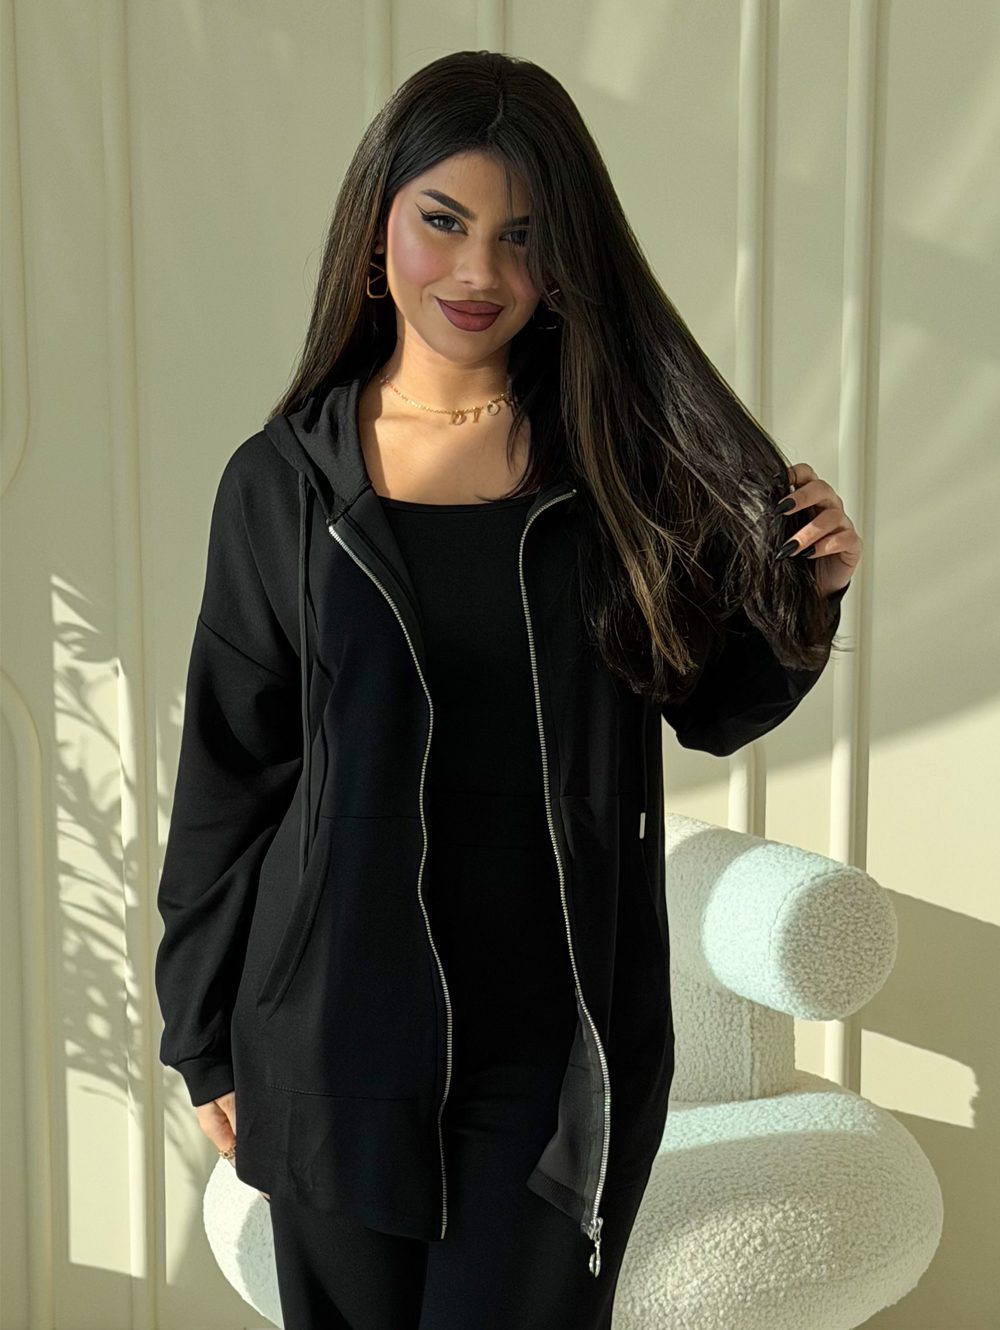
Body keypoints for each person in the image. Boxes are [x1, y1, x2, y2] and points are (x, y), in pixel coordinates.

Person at [154, 49, 862, 1330]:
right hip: (329, 1029)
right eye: (444, 221)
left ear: (566, 258)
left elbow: (709, 706)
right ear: (377, 231)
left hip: (554, 1041)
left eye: (522, 236)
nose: (479, 271)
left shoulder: (615, 470)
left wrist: (804, 596)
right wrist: (200, 1029)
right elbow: (234, 769)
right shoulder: (283, 484)